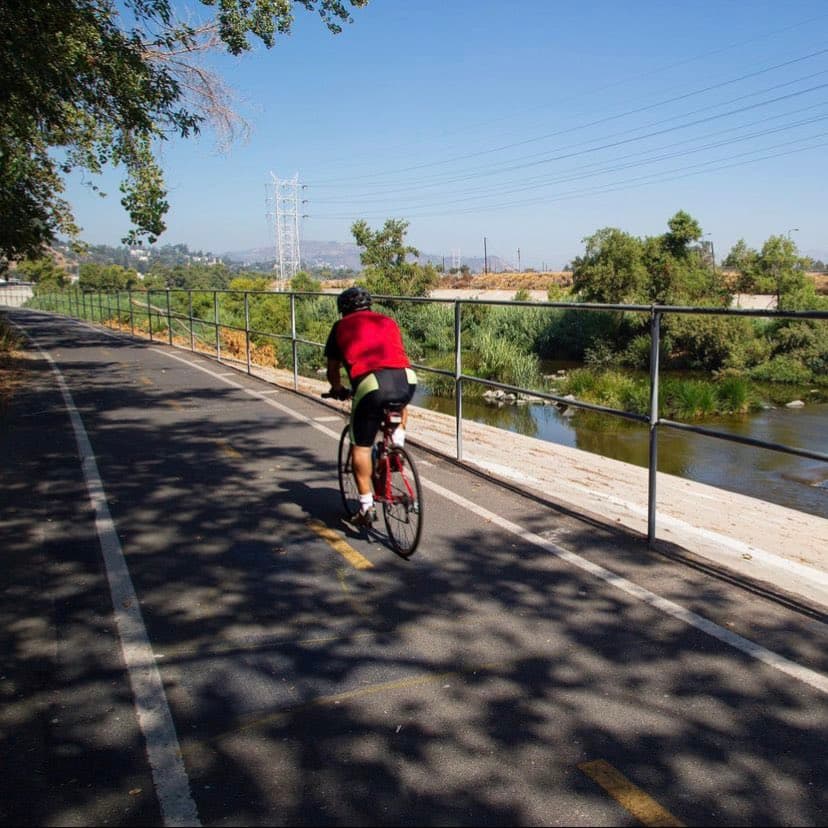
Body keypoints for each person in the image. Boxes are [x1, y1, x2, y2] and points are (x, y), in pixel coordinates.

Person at [325, 286, 417, 526]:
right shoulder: (387, 321)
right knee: (398, 404)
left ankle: (366, 507)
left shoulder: (340, 327)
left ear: (343, 309)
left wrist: (337, 388)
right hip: (406, 379)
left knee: (361, 447)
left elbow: (333, 368)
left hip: (372, 384)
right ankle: (397, 445)